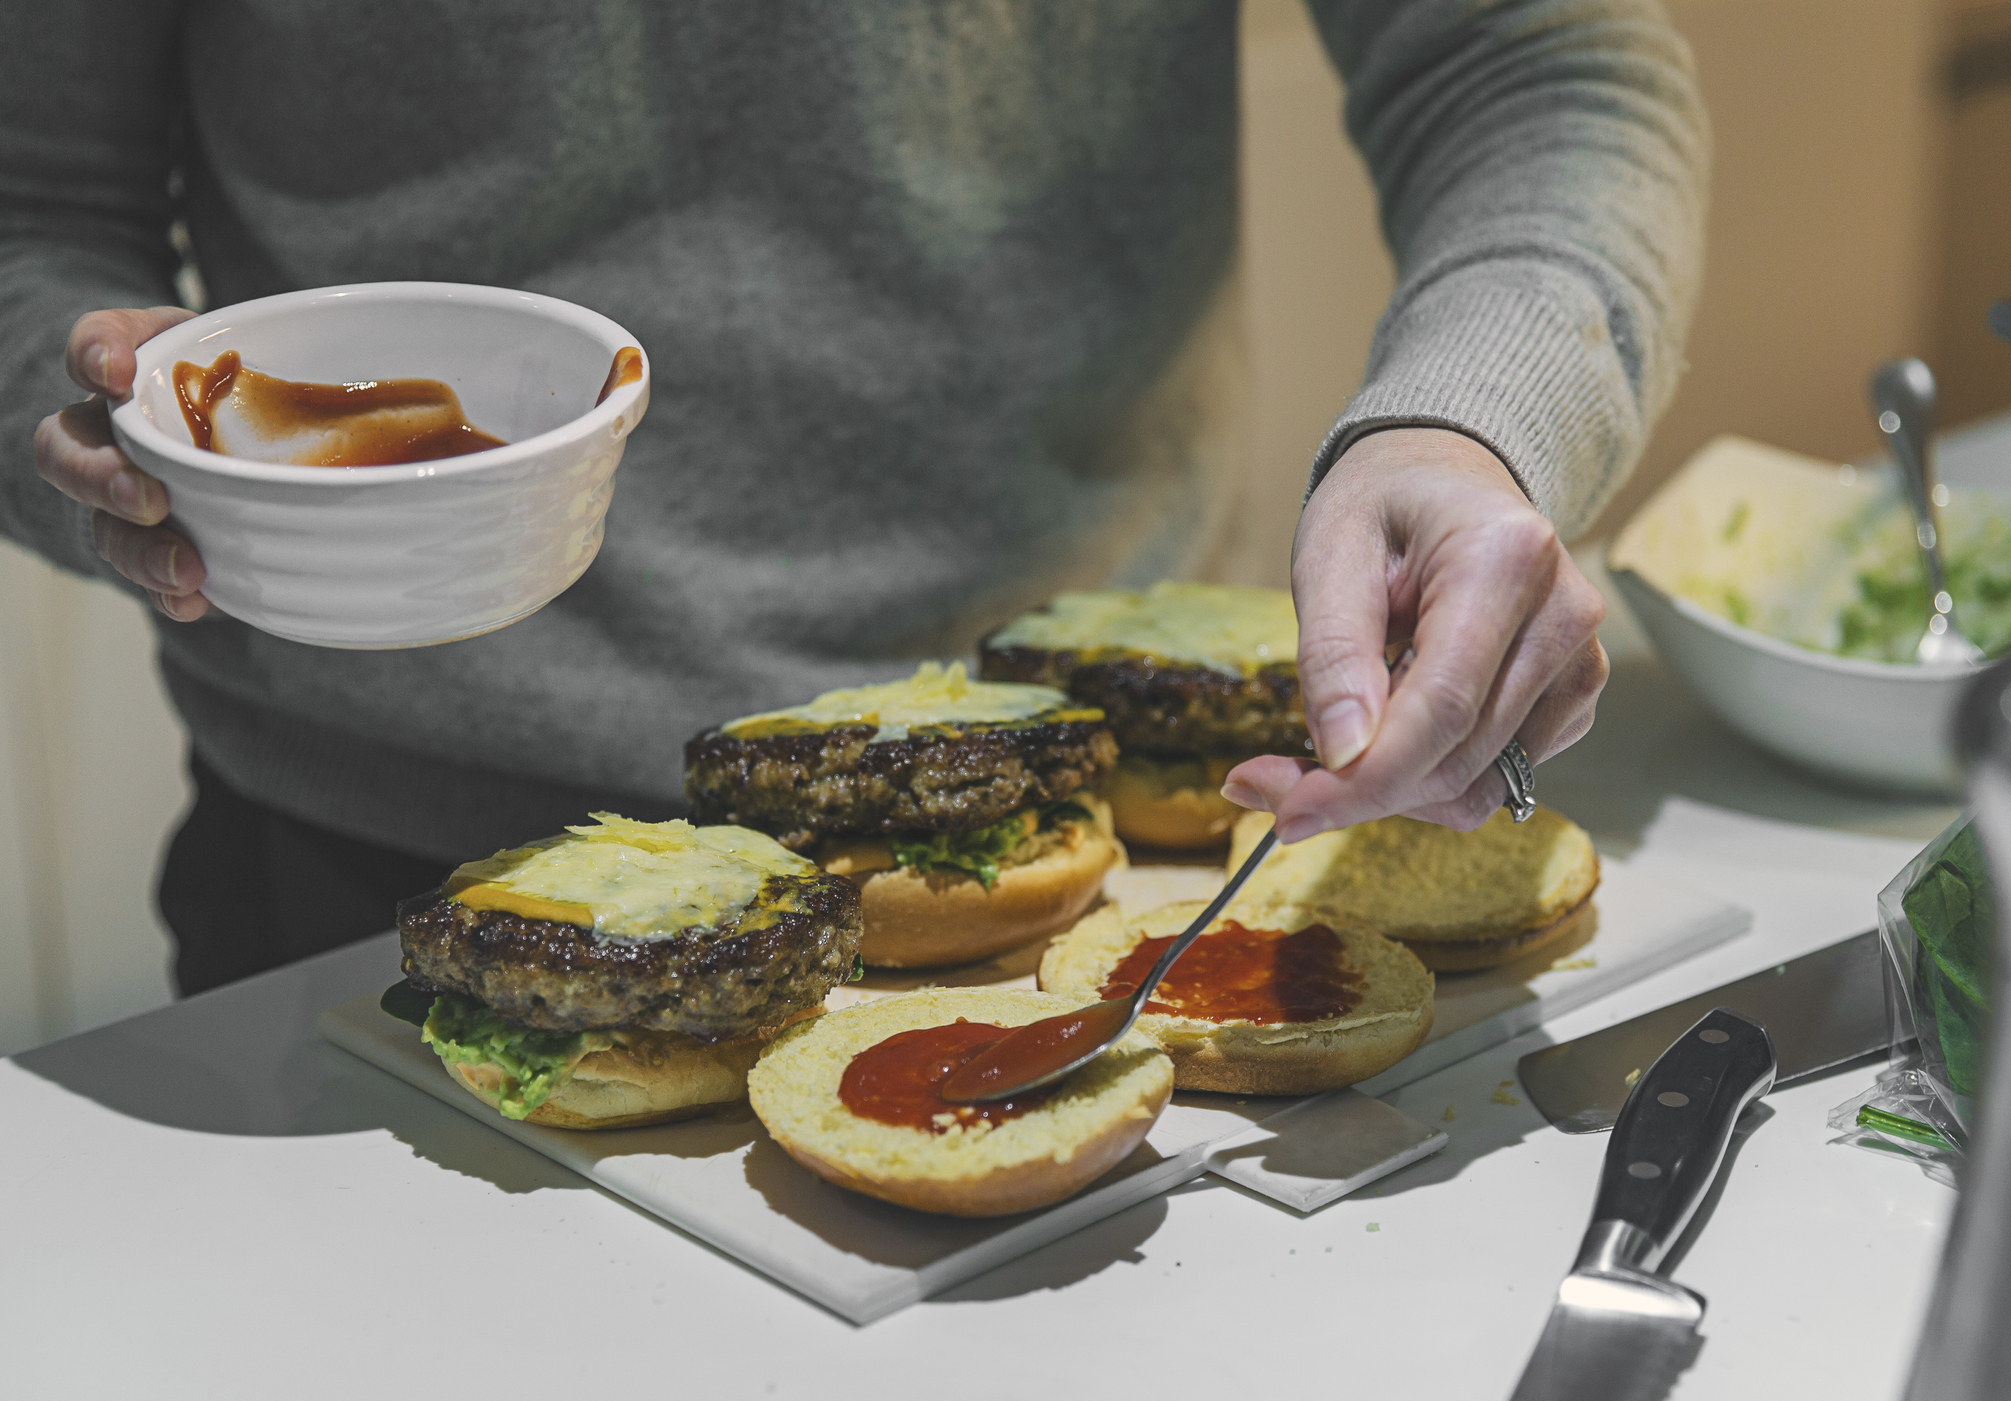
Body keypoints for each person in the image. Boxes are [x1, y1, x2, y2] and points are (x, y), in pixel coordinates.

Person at [5, 1, 1706, 994]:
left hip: (1096, 837)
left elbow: (1535, 59)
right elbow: (31, 199)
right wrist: (78, 416)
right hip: (368, 875)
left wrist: (1468, 427)